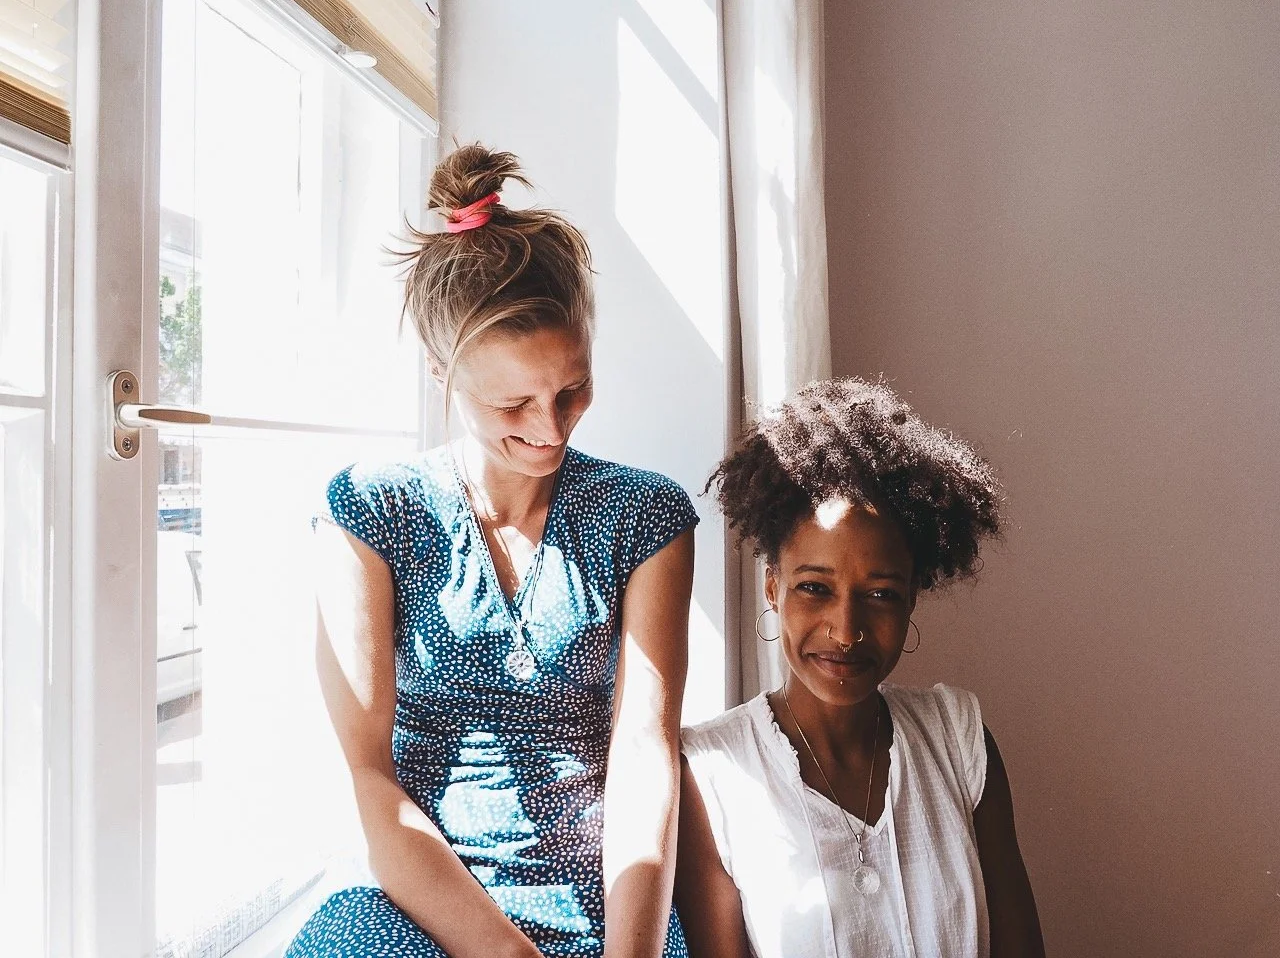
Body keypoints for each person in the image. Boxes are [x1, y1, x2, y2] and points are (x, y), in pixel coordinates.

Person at [287, 144, 697, 958]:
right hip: (418, 901)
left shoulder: (645, 514)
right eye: (512, 401)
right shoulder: (371, 510)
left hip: (606, 908)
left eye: (571, 389)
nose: (550, 427)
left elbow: (646, 752)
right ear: (442, 371)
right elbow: (370, 778)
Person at [674, 378, 1043, 958]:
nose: (846, 631)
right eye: (815, 588)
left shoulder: (958, 739)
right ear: (774, 588)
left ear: (913, 597)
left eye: (881, 594)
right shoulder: (714, 774)